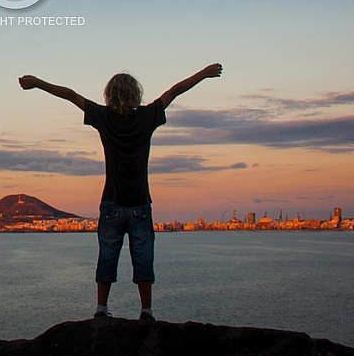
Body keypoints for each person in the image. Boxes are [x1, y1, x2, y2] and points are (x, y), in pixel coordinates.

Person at [18, 63, 222, 321]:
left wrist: (38, 82)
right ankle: (146, 312)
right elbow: (175, 90)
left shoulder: (104, 117)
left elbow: (70, 94)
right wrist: (204, 73)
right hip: (139, 204)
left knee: (107, 257)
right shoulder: (147, 117)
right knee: (143, 258)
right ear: (136, 93)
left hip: (111, 204)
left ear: (109, 94)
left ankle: (101, 310)